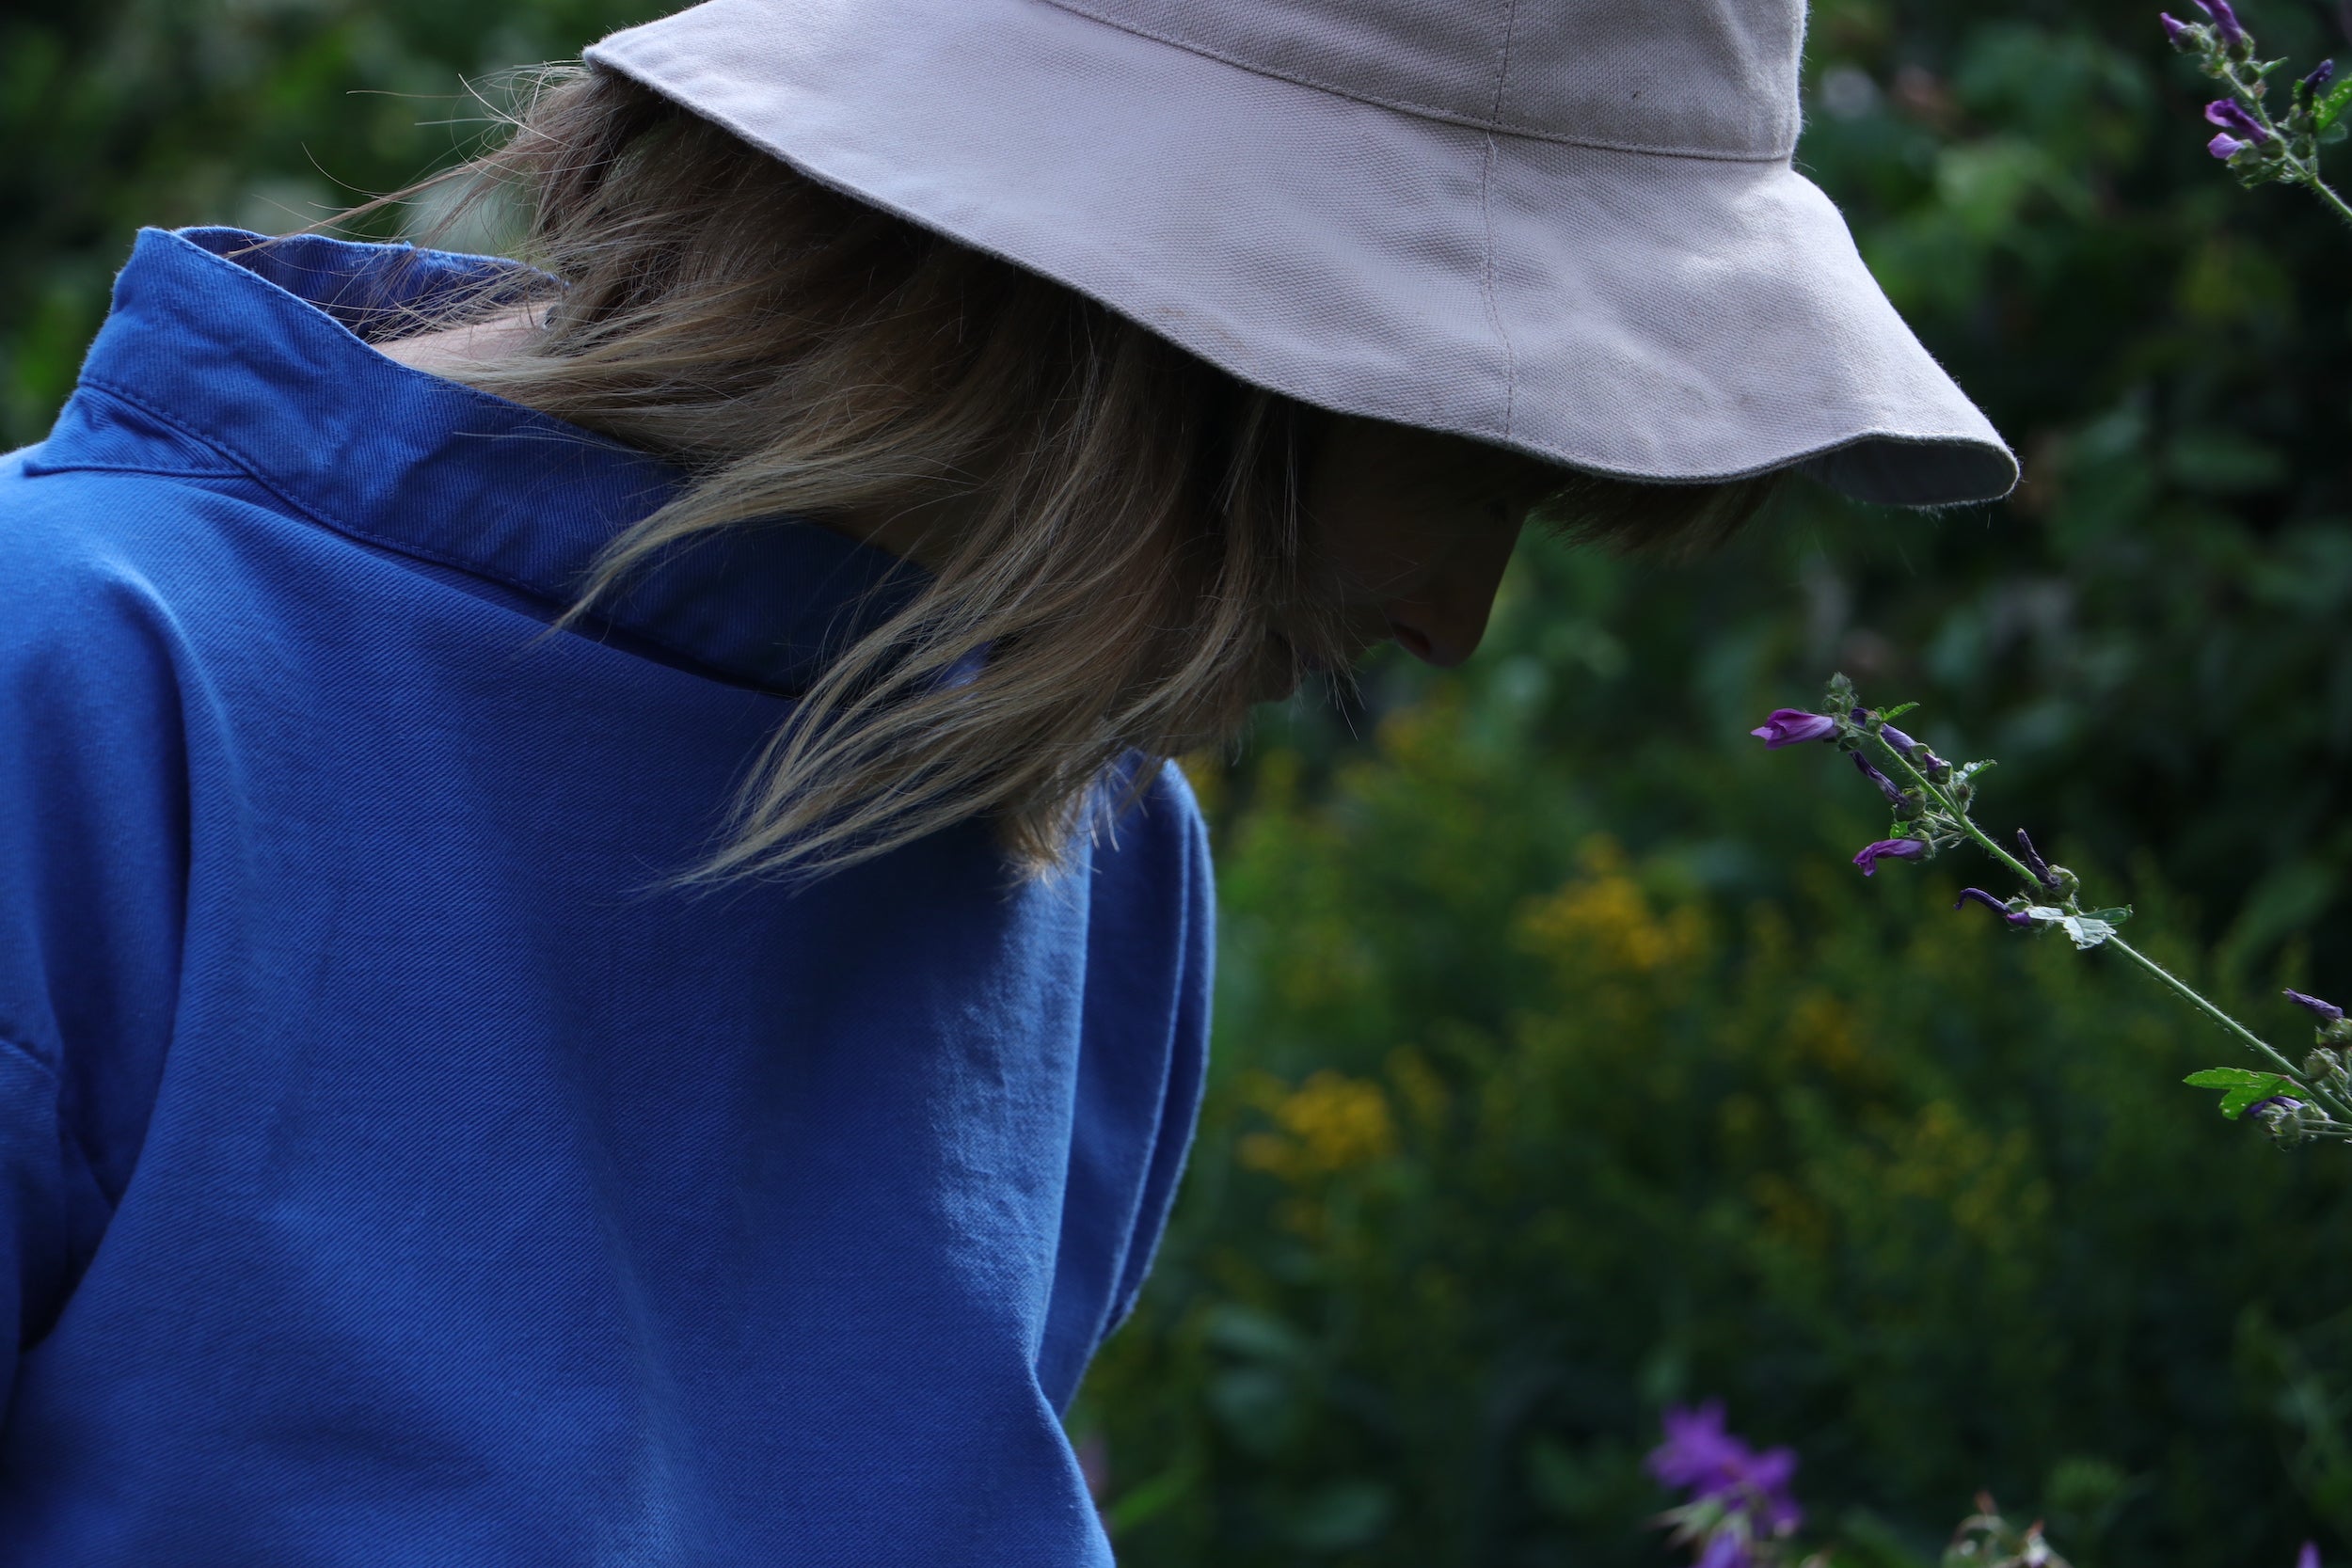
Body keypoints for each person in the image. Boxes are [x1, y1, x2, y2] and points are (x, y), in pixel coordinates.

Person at [0, 0, 2013, 1560]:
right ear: (1121, 347)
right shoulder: (92, 689)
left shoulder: (1081, 850)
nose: (1454, 617)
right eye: (1475, 461)